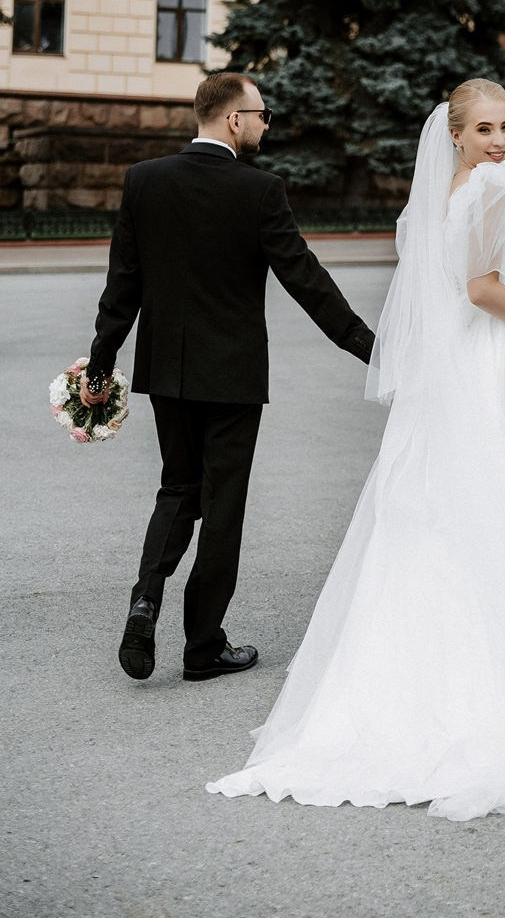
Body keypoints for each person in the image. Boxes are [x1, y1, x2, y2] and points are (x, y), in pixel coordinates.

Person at [207, 78, 505, 820]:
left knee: (440, 514)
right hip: (497, 356)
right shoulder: (496, 188)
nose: (502, 141)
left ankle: (400, 679)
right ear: (456, 136)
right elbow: (481, 288)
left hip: (457, 372)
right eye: (486, 129)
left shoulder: (447, 193)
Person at [81, 71, 376, 683]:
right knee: (222, 507)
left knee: (176, 489)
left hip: (166, 370)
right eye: (262, 115)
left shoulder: (144, 181)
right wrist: (373, 349)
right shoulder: (259, 190)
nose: (267, 125)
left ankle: (145, 597)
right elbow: (306, 281)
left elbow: (123, 286)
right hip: (234, 377)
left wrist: (102, 363)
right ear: (233, 119)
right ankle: (203, 646)